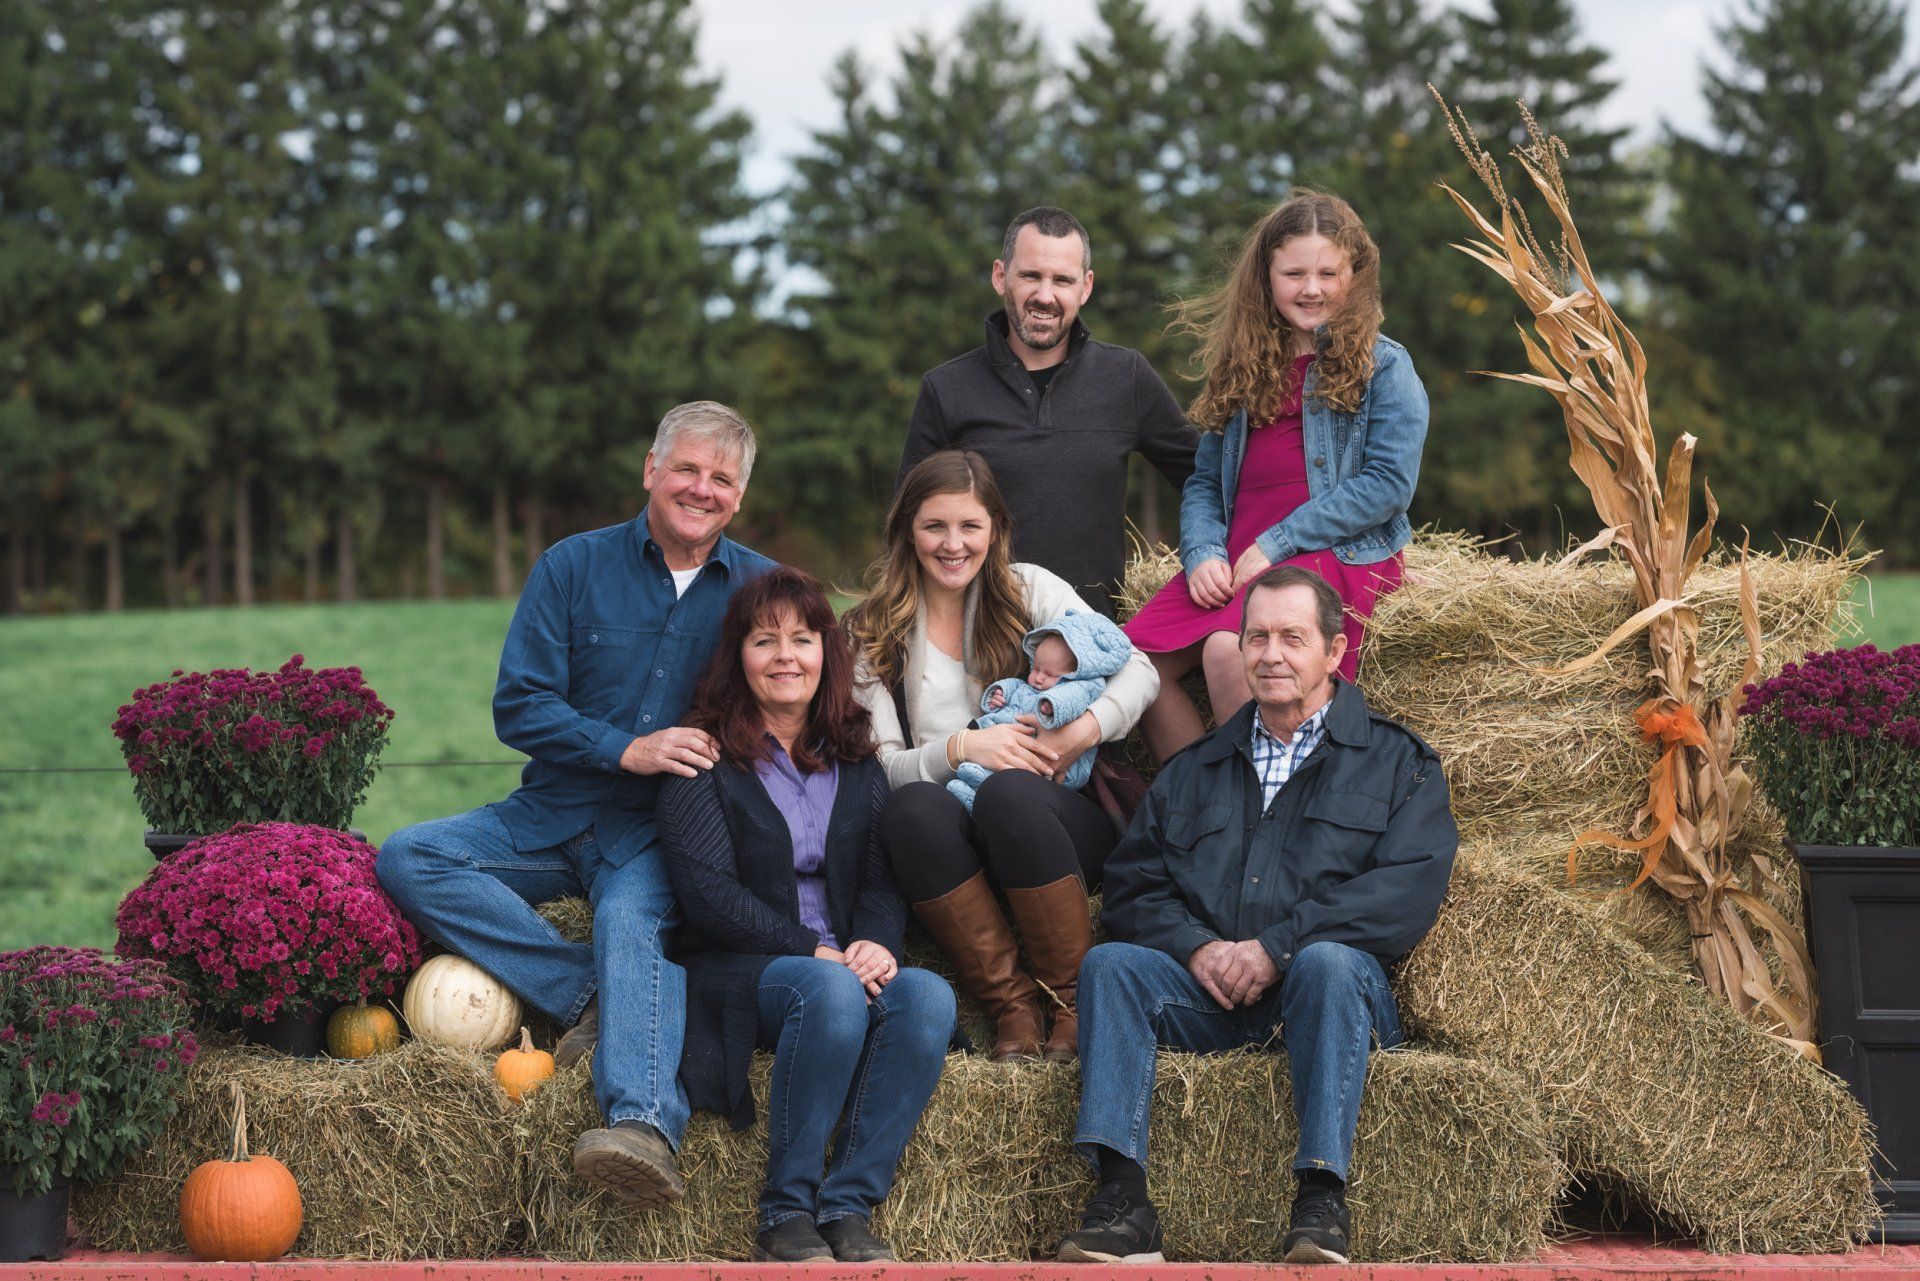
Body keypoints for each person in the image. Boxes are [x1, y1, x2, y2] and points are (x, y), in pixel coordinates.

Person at [376, 402, 774, 1210]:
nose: (702, 488)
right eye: (687, 469)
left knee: (633, 922)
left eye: (721, 478)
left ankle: (642, 1128)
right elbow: (518, 705)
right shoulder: (571, 565)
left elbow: (793, 704)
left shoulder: (762, 589)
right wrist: (624, 747)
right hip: (548, 817)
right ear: (651, 470)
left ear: (739, 495)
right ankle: (588, 992)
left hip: (659, 834)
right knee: (408, 855)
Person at [1059, 565, 1457, 1266]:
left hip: (1329, 1000)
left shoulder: (1397, 762)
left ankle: (1321, 1198)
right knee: (1112, 964)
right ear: (1239, 650)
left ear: (1334, 652)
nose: (1271, 654)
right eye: (1257, 637)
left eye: (1292, 638)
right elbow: (1132, 887)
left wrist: (1277, 946)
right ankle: (1123, 1203)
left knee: (1330, 961)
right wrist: (1197, 948)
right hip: (1211, 996)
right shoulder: (1196, 768)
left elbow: (1407, 891)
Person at [658, 568, 956, 1263]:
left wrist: (877, 942)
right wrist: (814, 952)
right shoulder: (705, 755)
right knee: (826, 989)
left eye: (802, 638)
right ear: (738, 656)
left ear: (828, 651)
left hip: (839, 965)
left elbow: (884, 877)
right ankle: (785, 1211)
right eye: (765, 640)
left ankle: (848, 1203)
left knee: (926, 994)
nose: (786, 655)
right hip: (742, 969)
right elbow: (708, 895)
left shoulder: (854, 756)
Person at [847, 449, 1159, 1064]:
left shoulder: (1030, 590)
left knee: (1007, 794)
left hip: (1052, 821)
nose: (953, 544)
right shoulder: (871, 630)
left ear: (995, 529)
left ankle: (1071, 1003)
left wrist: (1076, 734)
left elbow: (1139, 670)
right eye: (935, 525)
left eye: (970, 526)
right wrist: (963, 746)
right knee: (908, 809)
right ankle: (1012, 1009)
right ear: (907, 529)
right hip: (950, 842)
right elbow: (882, 766)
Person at [1125, 190, 1429, 762]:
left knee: (1225, 651)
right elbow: (1203, 483)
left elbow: (1389, 483)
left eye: (1327, 273)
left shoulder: (1385, 365)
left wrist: (1278, 542)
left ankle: (1264, 812)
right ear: (1266, 278)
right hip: (1242, 550)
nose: (1310, 288)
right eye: (1293, 273)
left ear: (1355, 276)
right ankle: (1201, 810)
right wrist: (1202, 551)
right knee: (1130, 667)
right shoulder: (1242, 368)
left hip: (1333, 545)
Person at [897, 206, 1197, 618]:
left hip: (1092, 644)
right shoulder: (946, 389)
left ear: (1085, 287)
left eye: (1062, 280)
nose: (1045, 295)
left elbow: (1202, 480)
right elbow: (906, 522)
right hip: (979, 641)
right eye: (1031, 276)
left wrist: (1207, 558)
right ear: (1001, 275)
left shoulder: (1126, 376)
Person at [947, 610, 1136, 811]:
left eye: (1050, 674)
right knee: (992, 761)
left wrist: (1053, 705)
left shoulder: (1085, 686)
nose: (1038, 678)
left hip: (1054, 759)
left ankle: (980, 789)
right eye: (1036, 668)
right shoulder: (1029, 687)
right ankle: (970, 791)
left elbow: (1072, 698)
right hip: (1008, 743)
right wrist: (999, 694)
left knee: (1012, 771)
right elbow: (1015, 687)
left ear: (1074, 675)